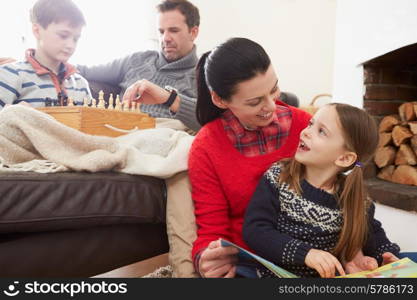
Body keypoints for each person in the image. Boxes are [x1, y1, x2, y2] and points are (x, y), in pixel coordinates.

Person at [188, 37, 312, 278]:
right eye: (255, 102)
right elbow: (211, 229)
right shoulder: (205, 147)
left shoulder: (306, 126)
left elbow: (348, 180)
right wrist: (206, 258)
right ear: (220, 99)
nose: (272, 106)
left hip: (312, 253)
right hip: (250, 263)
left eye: (274, 89)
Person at [242, 103, 401, 278]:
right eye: (311, 124)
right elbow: (255, 230)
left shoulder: (357, 201)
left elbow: (373, 233)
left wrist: (385, 256)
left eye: (321, 131)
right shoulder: (279, 177)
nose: (305, 132)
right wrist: (306, 254)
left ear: (345, 158)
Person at [77, 0, 201, 132]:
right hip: (121, 132)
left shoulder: (203, 75)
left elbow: (210, 120)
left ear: (193, 32)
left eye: (173, 30)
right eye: (161, 31)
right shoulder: (137, 60)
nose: (165, 38)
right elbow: (83, 71)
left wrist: (168, 98)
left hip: (164, 136)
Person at [0, 0, 91, 109]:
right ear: (37, 30)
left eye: (76, 39)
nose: (71, 45)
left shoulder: (81, 84)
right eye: (63, 35)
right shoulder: (10, 75)